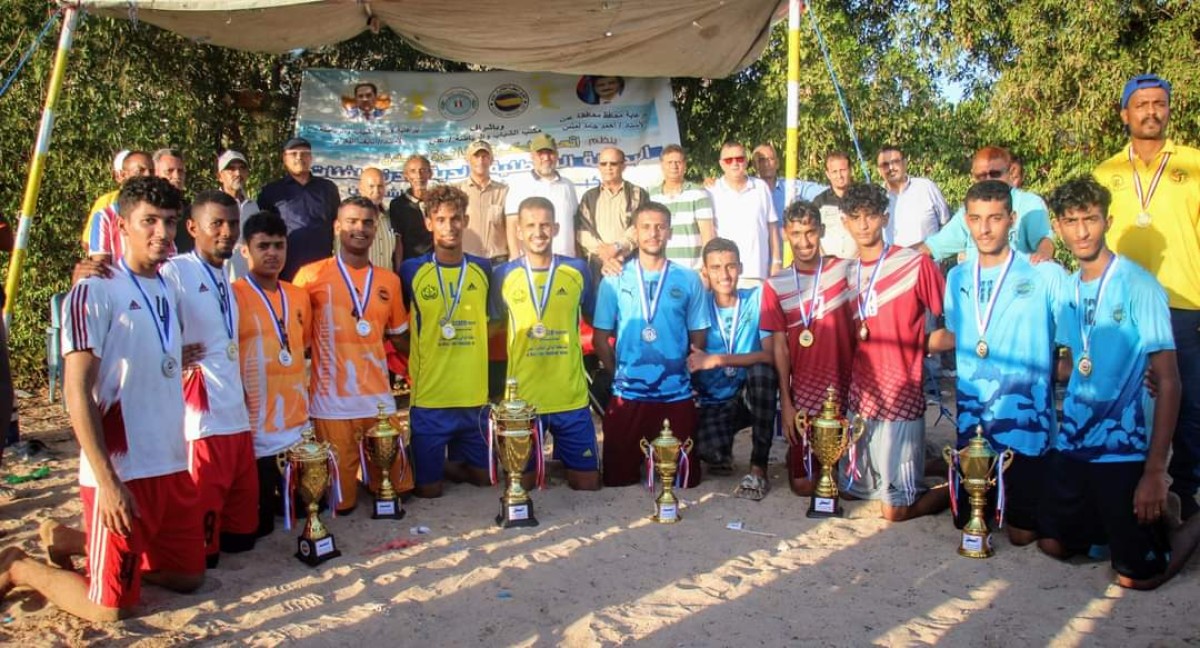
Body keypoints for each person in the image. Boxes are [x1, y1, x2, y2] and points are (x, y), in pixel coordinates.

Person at [0, 177, 204, 621]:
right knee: (111, 610)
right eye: (148, 221)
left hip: (169, 462)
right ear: (122, 225)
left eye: (169, 222)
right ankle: (20, 566)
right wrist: (108, 481)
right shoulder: (94, 289)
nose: (162, 233)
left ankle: (71, 539)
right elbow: (77, 390)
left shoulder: (167, 284)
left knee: (189, 577)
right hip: (122, 471)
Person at [1037, 176, 1200, 590]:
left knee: (1135, 578)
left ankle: (1190, 524)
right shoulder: (1068, 289)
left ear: (1107, 220)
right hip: (1075, 444)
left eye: (1090, 219)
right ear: (1058, 227)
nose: (1081, 231)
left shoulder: (1139, 285)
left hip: (1124, 450)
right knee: (1053, 545)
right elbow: (1075, 367)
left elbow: (1170, 382)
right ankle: (1131, 520)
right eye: (1071, 221)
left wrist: (1154, 471)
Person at [930, 180, 1068, 545]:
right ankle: (948, 489)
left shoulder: (1045, 274)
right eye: (975, 219)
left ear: (1012, 219)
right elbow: (961, 335)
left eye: (995, 218)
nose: (985, 228)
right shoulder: (958, 277)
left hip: (1026, 426)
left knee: (1023, 535)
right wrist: (907, 345)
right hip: (974, 424)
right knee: (970, 526)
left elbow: (1075, 343)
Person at [1094, 74, 1200, 521]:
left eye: (1159, 103)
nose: (1151, 111)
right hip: (1123, 306)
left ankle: (1187, 496)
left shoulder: (1194, 163)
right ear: (1125, 114)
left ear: (1168, 109)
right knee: (1124, 398)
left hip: (1182, 300)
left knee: (1189, 402)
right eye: (1142, 104)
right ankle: (1129, 490)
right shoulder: (1106, 172)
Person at [293, 197, 412, 514]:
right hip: (331, 404)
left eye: (367, 223)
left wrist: (424, 369)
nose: (360, 229)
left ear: (376, 229)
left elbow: (399, 337)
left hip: (378, 403)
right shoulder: (310, 277)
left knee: (397, 490)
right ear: (336, 227)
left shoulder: (389, 281)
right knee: (340, 504)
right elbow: (297, 341)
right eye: (352, 222)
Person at [839, 183, 948, 521]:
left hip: (901, 394)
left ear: (884, 218)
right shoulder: (844, 273)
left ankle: (959, 480)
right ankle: (931, 462)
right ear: (844, 222)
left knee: (895, 511)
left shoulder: (914, 264)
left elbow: (948, 319)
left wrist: (919, 347)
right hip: (863, 396)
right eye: (855, 218)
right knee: (847, 489)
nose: (863, 225)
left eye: (871, 216)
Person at [161, 190, 259, 567]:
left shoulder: (229, 275)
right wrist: (166, 354)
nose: (226, 232)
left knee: (243, 540)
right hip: (202, 421)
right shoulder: (175, 271)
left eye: (232, 224)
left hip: (236, 417)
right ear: (192, 228)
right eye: (215, 223)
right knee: (205, 555)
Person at [593, 202, 709, 488]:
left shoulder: (688, 279)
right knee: (617, 479)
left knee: (685, 481)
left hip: (675, 394)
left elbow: (698, 336)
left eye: (660, 227)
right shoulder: (614, 278)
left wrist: (689, 372)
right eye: (645, 227)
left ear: (669, 232)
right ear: (635, 231)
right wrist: (617, 372)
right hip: (628, 395)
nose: (653, 233)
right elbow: (600, 337)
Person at [490, 197, 600, 490]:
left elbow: (594, 319)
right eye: (530, 225)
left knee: (587, 484)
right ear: (519, 231)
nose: (538, 232)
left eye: (544, 225)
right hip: (523, 403)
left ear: (555, 228)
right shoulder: (503, 275)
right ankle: (544, 461)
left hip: (570, 397)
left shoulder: (577, 270)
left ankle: (555, 461)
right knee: (520, 485)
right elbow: (495, 328)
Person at [399, 186, 494, 498]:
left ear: (465, 220)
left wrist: (473, 345)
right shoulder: (412, 271)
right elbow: (399, 329)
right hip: (431, 399)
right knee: (428, 491)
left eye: (455, 219)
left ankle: (440, 461)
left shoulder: (483, 269)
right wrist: (424, 352)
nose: (449, 226)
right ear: (429, 223)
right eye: (441, 219)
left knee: (484, 480)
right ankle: (421, 457)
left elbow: (494, 323)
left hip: (472, 398)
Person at [761, 200, 856, 497]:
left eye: (811, 232)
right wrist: (786, 404)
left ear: (822, 231)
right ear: (787, 234)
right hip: (805, 397)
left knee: (854, 482)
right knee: (803, 486)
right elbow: (780, 347)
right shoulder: (775, 285)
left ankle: (929, 465)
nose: (804, 242)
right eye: (796, 233)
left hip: (848, 391)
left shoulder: (844, 271)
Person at [232, 209, 313, 536]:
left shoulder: (297, 295)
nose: (272, 253)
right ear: (245, 251)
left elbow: (302, 345)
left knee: (308, 511)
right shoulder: (234, 295)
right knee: (261, 526)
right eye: (263, 246)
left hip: (297, 427)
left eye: (279, 246)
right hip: (256, 431)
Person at [686, 238, 775, 499]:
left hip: (746, 396)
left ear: (741, 267)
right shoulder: (697, 306)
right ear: (704, 272)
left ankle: (759, 467)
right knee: (711, 453)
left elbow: (770, 355)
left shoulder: (757, 299)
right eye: (715, 267)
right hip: (711, 400)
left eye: (731, 266)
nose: (724, 275)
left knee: (762, 374)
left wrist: (718, 360)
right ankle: (720, 448)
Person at [917, 146, 1054, 263]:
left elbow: (1045, 243)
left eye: (995, 173)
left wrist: (1041, 259)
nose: (988, 180)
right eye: (981, 176)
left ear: (1010, 173)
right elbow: (932, 248)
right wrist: (899, 258)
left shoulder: (1029, 203)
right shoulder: (969, 209)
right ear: (973, 177)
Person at [256, 137, 340, 281]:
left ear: (311, 158)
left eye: (304, 153)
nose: (299, 158)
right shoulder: (271, 192)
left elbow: (338, 227)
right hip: (286, 272)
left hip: (323, 271)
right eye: (294, 154)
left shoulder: (327, 189)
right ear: (284, 158)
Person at [709, 141, 779, 284]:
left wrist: (776, 261)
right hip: (724, 276)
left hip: (758, 272)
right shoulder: (711, 192)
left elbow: (772, 228)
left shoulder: (761, 187)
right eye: (729, 160)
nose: (735, 163)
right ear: (721, 164)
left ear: (746, 161)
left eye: (739, 159)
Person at [576, 147, 649, 280]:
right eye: (604, 164)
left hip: (628, 262)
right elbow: (582, 231)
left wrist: (617, 248)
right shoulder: (589, 197)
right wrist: (605, 254)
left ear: (623, 166)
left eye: (613, 163)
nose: (608, 167)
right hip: (598, 265)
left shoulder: (638, 194)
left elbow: (640, 227)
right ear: (599, 166)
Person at [505, 134, 578, 259]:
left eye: (550, 153)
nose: (546, 158)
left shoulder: (568, 185)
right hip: (532, 264)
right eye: (541, 153)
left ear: (557, 155)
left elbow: (574, 224)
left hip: (566, 261)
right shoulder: (519, 184)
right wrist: (515, 259)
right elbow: (512, 225)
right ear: (532, 156)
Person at [650, 144, 715, 271]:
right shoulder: (652, 196)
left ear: (685, 165)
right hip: (662, 270)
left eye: (678, 162)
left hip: (692, 271)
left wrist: (705, 268)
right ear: (662, 165)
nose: (674, 166)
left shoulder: (698, 193)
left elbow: (708, 235)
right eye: (669, 162)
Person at [85, 151, 155, 262]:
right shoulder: (105, 216)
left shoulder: (161, 215)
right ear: (122, 175)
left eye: (151, 171)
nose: (147, 175)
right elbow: (100, 263)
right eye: (140, 171)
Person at [876, 146, 949, 247]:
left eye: (895, 162)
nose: (891, 168)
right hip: (893, 261)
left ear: (905, 163)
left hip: (928, 260)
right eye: (885, 165)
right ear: (879, 170)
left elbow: (946, 223)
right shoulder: (875, 197)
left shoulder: (926, 187)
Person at [456, 140, 510, 264]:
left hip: (499, 261)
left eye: (485, 156)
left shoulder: (504, 191)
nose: (480, 160)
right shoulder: (457, 191)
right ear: (468, 159)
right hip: (467, 261)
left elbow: (511, 227)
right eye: (476, 156)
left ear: (491, 160)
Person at [752, 143, 826, 222]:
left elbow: (824, 192)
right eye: (762, 160)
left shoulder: (791, 185)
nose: (767, 163)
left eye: (771, 159)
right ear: (755, 164)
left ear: (777, 163)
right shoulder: (749, 189)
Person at [216, 149, 261, 280]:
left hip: (249, 279)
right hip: (222, 278)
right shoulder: (213, 205)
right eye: (231, 169)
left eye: (242, 168)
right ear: (220, 176)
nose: (238, 173)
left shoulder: (253, 206)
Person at [810, 151, 858, 259]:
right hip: (827, 267)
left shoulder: (862, 198)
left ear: (850, 170)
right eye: (834, 171)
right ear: (827, 174)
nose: (839, 176)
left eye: (843, 170)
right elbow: (812, 233)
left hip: (857, 264)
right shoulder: (819, 202)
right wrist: (825, 262)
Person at [391, 154, 435, 264]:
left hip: (437, 264)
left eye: (423, 170)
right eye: (413, 171)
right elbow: (398, 241)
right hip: (411, 265)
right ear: (406, 176)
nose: (418, 175)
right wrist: (399, 270)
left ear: (430, 174)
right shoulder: (398, 205)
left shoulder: (438, 201)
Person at [355, 167, 398, 270]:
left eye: (380, 186)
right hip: (358, 282)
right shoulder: (350, 220)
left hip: (385, 281)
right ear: (361, 188)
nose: (376, 191)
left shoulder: (390, 217)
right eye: (371, 186)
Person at [155, 148, 193, 254]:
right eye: (169, 171)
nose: (177, 176)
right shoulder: (147, 210)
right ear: (155, 173)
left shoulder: (191, 211)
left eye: (180, 171)